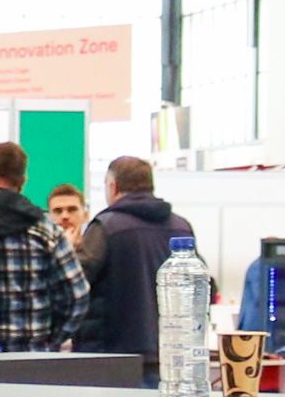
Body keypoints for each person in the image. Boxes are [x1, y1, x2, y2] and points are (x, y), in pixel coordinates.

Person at [0, 139, 87, 354]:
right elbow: (76, 296)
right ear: (22, 182)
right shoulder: (46, 232)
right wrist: (50, 341)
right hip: (26, 361)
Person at [80, 156, 198, 384]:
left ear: (113, 186)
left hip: (111, 357)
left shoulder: (106, 226)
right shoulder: (182, 229)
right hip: (169, 355)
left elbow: (77, 283)